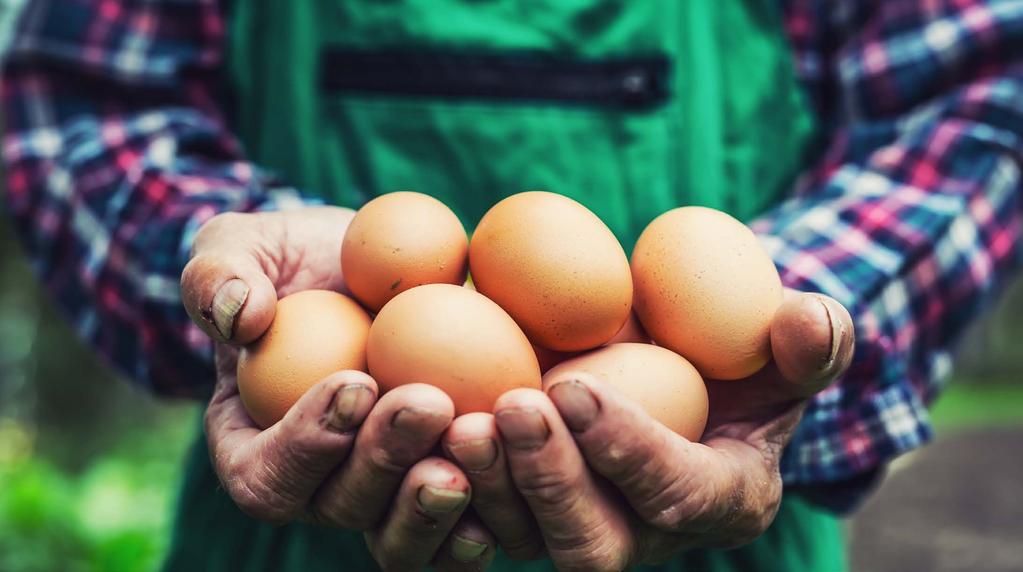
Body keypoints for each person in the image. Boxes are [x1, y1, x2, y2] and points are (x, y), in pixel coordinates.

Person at [2, 1, 1020, 570]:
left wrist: (777, 333)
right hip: (303, 511)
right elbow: (80, 114)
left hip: (722, 521)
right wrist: (233, 296)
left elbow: (982, 93)